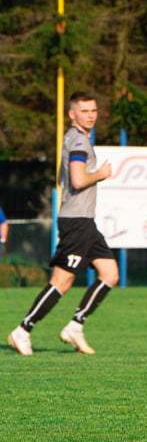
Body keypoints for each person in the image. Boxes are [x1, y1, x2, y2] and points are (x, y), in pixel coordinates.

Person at [7, 91, 119, 356]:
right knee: (62, 281)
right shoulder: (78, 141)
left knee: (110, 274)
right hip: (76, 222)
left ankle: (75, 326)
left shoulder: (73, 139)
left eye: (94, 110)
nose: (91, 115)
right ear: (72, 114)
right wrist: (100, 174)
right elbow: (78, 180)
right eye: (85, 111)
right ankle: (23, 329)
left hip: (85, 223)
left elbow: (63, 180)